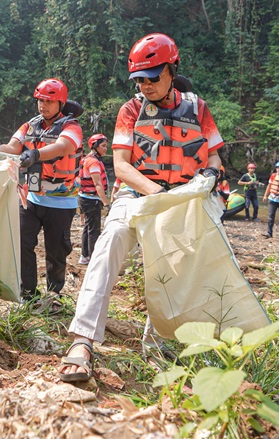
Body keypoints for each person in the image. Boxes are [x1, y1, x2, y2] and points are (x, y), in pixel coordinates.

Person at [58, 32, 224, 383]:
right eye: (139, 80)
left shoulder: (199, 108)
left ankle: (160, 343)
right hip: (137, 195)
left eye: (153, 78)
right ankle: (83, 340)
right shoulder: (131, 110)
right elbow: (120, 165)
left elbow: (214, 154)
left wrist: (210, 172)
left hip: (183, 198)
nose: (146, 85)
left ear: (172, 69)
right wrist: (155, 193)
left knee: (179, 265)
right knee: (110, 240)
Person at [0, 78, 83, 306]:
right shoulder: (30, 125)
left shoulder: (71, 127)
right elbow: (13, 147)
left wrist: (35, 154)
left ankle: (54, 294)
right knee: (23, 241)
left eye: (49, 101)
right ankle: (28, 294)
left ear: (60, 103)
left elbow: (63, 147)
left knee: (56, 251)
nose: (43, 106)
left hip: (61, 202)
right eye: (40, 101)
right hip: (32, 199)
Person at [78, 134, 110, 265]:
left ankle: (84, 255)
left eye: (106, 146)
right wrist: (106, 204)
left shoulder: (87, 159)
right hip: (91, 199)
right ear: (95, 146)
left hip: (85, 198)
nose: (105, 149)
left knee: (88, 226)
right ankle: (93, 258)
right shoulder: (94, 162)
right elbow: (98, 184)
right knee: (94, 229)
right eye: (103, 146)